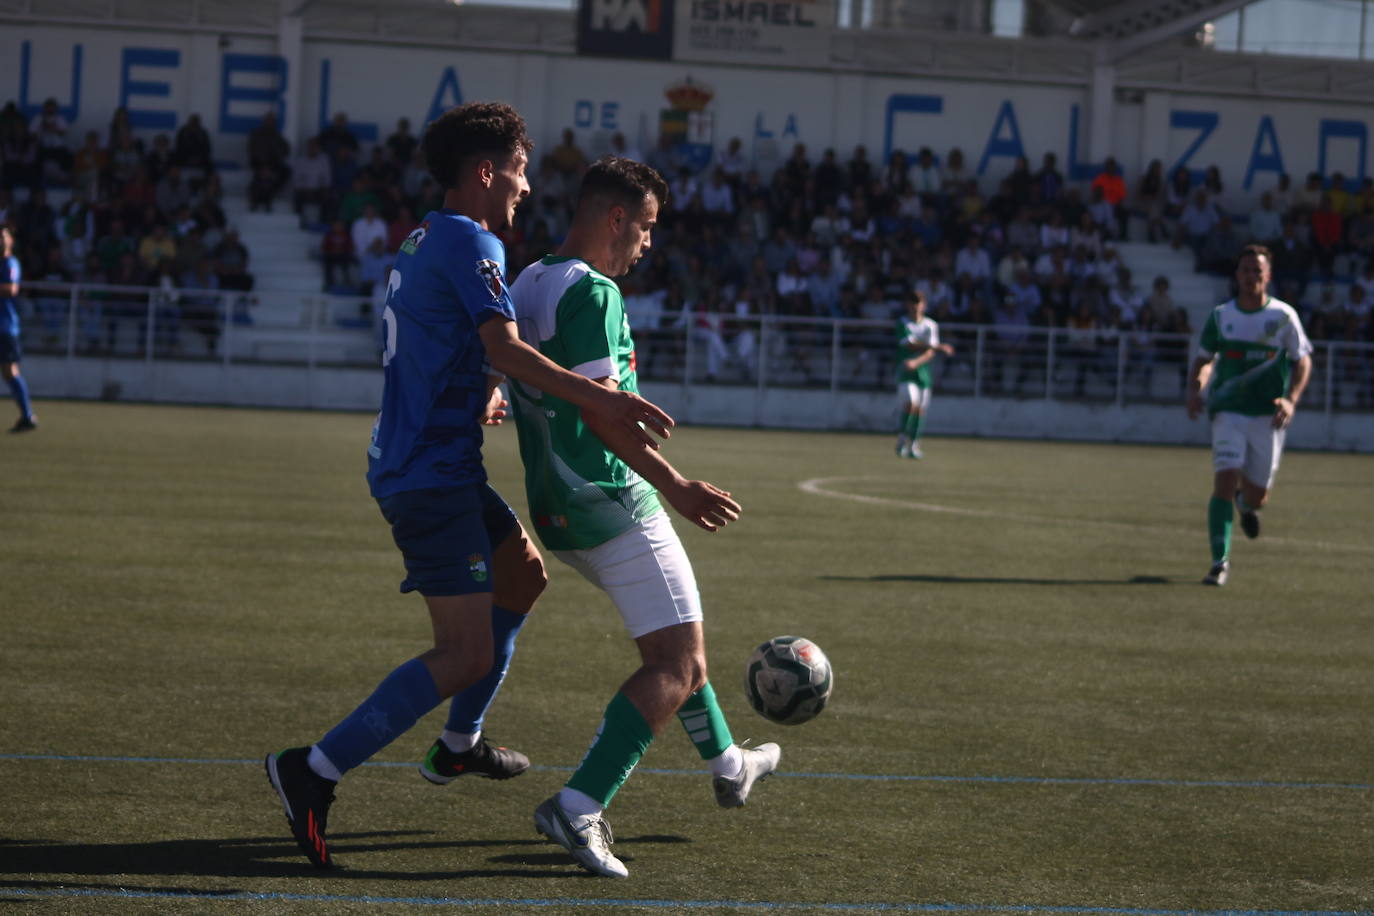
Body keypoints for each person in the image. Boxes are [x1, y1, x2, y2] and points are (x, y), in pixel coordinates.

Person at [263, 103, 674, 871]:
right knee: (461, 653)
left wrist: (477, 388)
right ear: (485, 171)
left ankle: (460, 742)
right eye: (519, 170)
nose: (524, 187)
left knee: (523, 573)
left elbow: (450, 341)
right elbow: (506, 347)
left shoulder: (423, 239)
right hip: (430, 476)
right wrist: (602, 398)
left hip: (429, 459)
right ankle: (313, 769)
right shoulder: (473, 240)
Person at [507, 156, 779, 879]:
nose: (648, 245)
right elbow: (604, 415)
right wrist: (679, 485)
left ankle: (729, 764)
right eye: (647, 228)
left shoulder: (532, 278)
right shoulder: (593, 293)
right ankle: (577, 804)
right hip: (612, 500)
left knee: (675, 640)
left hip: (556, 501)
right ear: (616, 219)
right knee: (678, 662)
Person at [1186, 245, 1312, 587]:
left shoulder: (1284, 316)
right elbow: (1205, 359)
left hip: (1268, 416)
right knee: (1224, 478)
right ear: (1236, 275)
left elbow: (1302, 360)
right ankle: (1218, 562)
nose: (1251, 276)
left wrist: (1291, 400)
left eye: (1258, 271)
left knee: (1257, 496)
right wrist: (1197, 387)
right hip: (1228, 410)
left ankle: (1246, 502)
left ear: (1267, 276)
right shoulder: (1221, 316)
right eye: (1245, 270)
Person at [894, 290, 952, 459]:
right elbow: (910, 344)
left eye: (918, 302)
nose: (915, 306)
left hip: (923, 372)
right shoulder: (903, 323)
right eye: (912, 302)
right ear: (907, 305)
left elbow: (929, 353)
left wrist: (917, 362)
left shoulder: (931, 325)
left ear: (924, 305)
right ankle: (902, 439)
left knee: (920, 409)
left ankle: (914, 445)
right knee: (911, 403)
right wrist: (939, 347)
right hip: (905, 371)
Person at [2, 225, 37, 432]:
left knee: (10, 371)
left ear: (11, 241)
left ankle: (27, 415)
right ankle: (27, 416)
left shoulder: (10, 263)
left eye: (3, 236)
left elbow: (11, 289)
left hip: (5, 327)